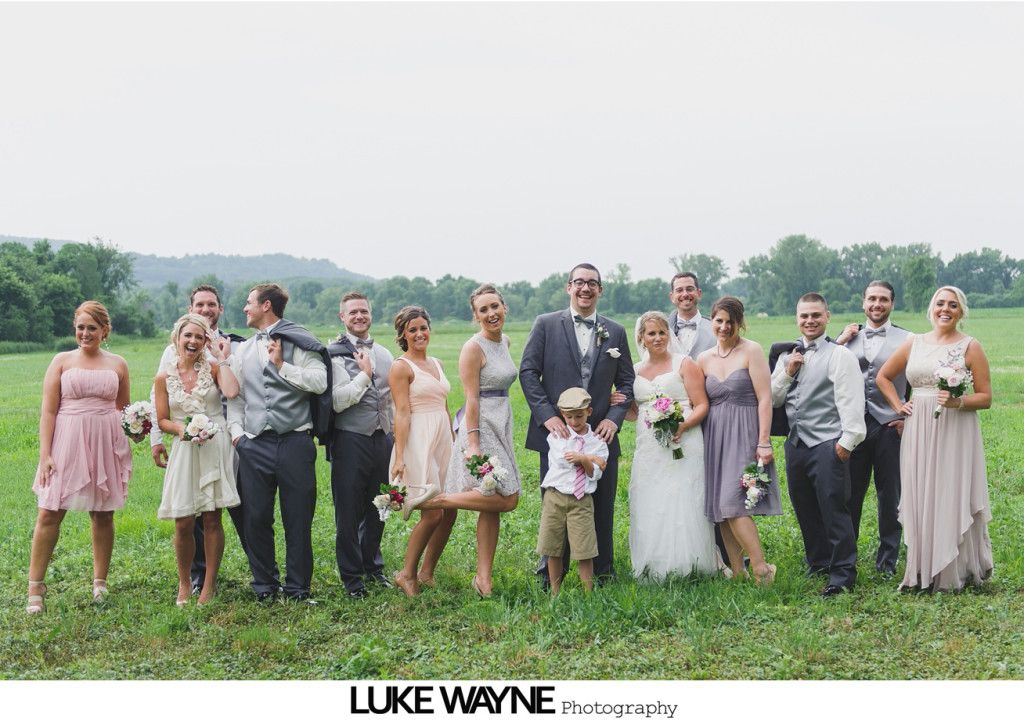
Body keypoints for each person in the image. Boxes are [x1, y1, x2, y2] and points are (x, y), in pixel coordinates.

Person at [519, 263, 634, 587]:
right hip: (557, 436)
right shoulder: (545, 325)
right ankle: (550, 574)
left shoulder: (616, 331)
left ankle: (602, 573)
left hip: (599, 435)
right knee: (555, 504)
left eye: (592, 283)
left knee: (602, 505)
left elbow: (626, 380)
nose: (586, 288)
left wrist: (613, 419)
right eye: (579, 282)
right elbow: (527, 372)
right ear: (569, 287)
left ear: (600, 290)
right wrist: (547, 416)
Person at [876, 286, 993, 591]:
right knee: (921, 491)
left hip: (956, 427)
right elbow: (883, 377)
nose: (946, 309)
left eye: (953, 305)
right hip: (919, 427)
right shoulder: (913, 342)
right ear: (931, 308)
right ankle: (921, 568)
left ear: (961, 311)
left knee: (949, 489)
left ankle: (954, 568)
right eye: (940, 303)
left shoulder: (971, 346)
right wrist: (899, 405)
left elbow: (986, 397)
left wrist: (958, 402)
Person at [226, 283, 330, 603]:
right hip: (254, 444)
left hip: (295, 441)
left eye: (249, 303)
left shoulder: (299, 340)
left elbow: (320, 381)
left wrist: (283, 365)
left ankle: (298, 589)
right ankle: (265, 586)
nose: (245, 308)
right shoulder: (242, 350)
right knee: (255, 518)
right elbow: (237, 398)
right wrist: (238, 436)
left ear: (266, 305)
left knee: (298, 519)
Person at [28, 301, 132, 614]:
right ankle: (36, 586)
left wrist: (137, 427)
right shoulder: (61, 361)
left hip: (105, 440)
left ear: (105, 331)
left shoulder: (118, 364)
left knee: (103, 513)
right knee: (49, 511)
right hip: (67, 440)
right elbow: (48, 411)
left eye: (91, 328)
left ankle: (100, 581)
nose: (85, 333)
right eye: (80, 327)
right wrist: (45, 455)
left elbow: (124, 410)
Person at [149, 284, 248, 595]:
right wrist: (175, 432)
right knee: (182, 520)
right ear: (177, 338)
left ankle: (208, 587)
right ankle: (184, 584)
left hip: (215, 443)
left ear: (218, 310)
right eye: (187, 336)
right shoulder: (165, 371)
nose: (192, 340)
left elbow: (232, 393)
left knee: (211, 517)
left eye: (211, 305)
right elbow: (160, 411)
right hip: (184, 446)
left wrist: (222, 358)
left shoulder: (217, 361)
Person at [423, 284, 520, 598]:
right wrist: (474, 443)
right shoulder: (472, 348)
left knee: (491, 503)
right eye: (483, 310)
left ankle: (483, 579)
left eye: (495, 307)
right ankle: (438, 500)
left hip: (501, 422)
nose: (491, 314)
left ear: (504, 307)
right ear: (475, 316)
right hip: (479, 426)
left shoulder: (503, 341)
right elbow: (471, 399)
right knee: (508, 497)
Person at [771, 293, 866, 597]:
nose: (809, 321)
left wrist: (846, 443)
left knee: (834, 508)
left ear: (827, 317)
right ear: (796, 319)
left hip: (827, 442)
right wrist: (788, 373)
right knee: (805, 506)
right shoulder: (787, 356)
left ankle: (842, 574)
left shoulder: (840, 355)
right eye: (804, 316)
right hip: (796, 443)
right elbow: (772, 399)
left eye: (815, 315)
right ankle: (819, 561)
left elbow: (851, 400)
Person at [624, 311, 721, 578]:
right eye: (651, 333)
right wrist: (617, 406)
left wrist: (684, 425)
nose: (657, 338)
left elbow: (702, 404)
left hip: (685, 440)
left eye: (662, 332)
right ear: (641, 338)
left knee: (684, 496)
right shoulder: (634, 371)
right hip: (650, 445)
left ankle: (694, 563)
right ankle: (654, 564)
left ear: (669, 335)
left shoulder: (684, 363)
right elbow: (635, 412)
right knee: (650, 497)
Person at [697, 297, 781, 583]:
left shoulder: (752, 350)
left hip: (745, 433)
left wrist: (764, 440)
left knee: (735, 501)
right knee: (721, 506)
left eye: (729, 321)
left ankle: (761, 568)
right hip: (714, 436)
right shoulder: (704, 358)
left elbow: (765, 398)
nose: (723, 327)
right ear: (712, 321)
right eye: (718, 321)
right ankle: (737, 571)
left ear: (739, 322)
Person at [834, 280, 910, 577]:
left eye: (883, 300)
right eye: (872, 299)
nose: (877, 304)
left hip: (890, 425)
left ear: (892, 303)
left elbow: (917, 380)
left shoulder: (908, 338)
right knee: (849, 494)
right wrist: (839, 341)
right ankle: (845, 558)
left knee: (889, 494)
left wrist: (906, 416)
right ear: (863, 303)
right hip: (853, 426)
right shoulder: (846, 337)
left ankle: (888, 560)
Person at [326, 292, 395, 600]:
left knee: (379, 504)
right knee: (349, 510)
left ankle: (372, 565)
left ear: (371, 314)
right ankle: (352, 577)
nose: (358, 316)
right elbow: (337, 402)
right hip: (350, 437)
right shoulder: (333, 354)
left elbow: (393, 398)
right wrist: (365, 376)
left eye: (363, 311)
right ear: (342, 317)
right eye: (352, 312)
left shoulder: (384, 353)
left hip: (383, 437)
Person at [388, 306, 455, 597]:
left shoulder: (437, 363)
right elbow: (402, 413)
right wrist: (401, 456)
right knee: (432, 513)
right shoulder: (401, 367)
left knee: (450, 510)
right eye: (412, 329)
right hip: (418, 441)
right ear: (403, 334)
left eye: (423, 327)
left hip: (443, 440)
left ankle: (427, 572)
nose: (419, 334)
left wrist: (456, 442)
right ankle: (406, 573)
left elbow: (445, 407)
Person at [536, 388, 608, 595]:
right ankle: (555, 592)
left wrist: (586, 460)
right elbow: (565, 460)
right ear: (561, 414)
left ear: (589, 412)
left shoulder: (598, 441)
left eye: (579, 416)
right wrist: (591, 459)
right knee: (553, 547)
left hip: (582, 499)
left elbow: (595, 475)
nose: (574, 421)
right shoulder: (557, 436)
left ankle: (588, 592)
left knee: (585, 549)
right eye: (569, 417)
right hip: (555, 497)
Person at [667, 272, 716, 359]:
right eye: (679, 290)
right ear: (672, 297)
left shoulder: (715, 327)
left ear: (699, 293)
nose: (685, 294)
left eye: (689, 289)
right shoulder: (663, 329)